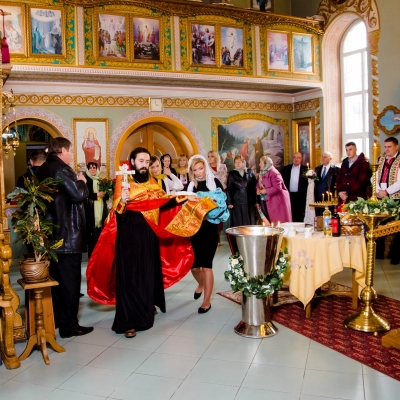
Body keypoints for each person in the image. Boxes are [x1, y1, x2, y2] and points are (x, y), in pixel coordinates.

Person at [36, 137, 93, 338]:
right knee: (70, 283)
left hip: (53, 235)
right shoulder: (61, 169)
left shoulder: (43, 169)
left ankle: (60, 319)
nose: (71, 155)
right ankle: (70, 325)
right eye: (70, 151)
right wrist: (82, 181)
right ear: (61, 150)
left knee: (58, 282)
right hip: (68, 235)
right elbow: (79, 195)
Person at [186, 155, 228, 313]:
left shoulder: (214, 183)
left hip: (210, 228)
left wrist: (208, 207)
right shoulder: (190, 186)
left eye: (200, 168)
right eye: (195, 170)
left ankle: (206, 302)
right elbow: (185, 208)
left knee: (206, 266)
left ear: (205, 167)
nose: (198, 172)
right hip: (195, 229)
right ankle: (202, 283)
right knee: (194, 267)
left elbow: (222, 205)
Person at [376, 137, 400, 264]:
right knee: (380, 224)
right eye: (385, 147)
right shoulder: (380, 159)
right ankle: (378, 253)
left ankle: (395, 255)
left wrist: (386, 191)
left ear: (396, 147)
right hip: (381, 196)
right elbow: (374, 177)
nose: (387, 149)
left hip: (396, 197)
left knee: (397, 227)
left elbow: (399, 182)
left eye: (389, 147)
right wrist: (379, 191)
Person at [256, 156, 291, 224]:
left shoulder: (274, 173)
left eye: (261, 163)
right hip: (268, 200)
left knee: (279, 223)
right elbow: (259, 183)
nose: (259, 164)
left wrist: (265, 191)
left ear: (266, 164)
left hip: (278, 202)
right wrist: (257, 189)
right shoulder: (263, 172)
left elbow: (277, 187)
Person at [84, 162, 108, 258]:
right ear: (87, 170)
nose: (92, 169)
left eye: (94, 167)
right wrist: (96, 195)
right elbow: (84, 195)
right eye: (90, 168)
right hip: (90, 211)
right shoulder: (85, 181)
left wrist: (105, 193)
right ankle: (92, 258)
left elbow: (106, 196)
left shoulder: (101, 180)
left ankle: (100, 257)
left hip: (101, 210)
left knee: (100, 235)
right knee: (91, 237)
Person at [226, 155, 257, 227]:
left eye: (239, 162)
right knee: (238, 222)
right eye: (236, 162)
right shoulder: (232, 174)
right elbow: (229, 189)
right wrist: (229, 202)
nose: (237, 164)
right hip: (237, 201)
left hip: (249, 201)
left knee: (249, 222)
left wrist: (256, 201)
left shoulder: (250, 172)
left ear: (243, 162)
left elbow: (254, 188)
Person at [281, 152, 308, 222]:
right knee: (290, 215)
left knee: (299, 217)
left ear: (301, 159)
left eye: (298, 158)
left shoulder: (306, 169)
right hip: (289, 196)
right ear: (292, 158)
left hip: (301, 197)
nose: (296, 159)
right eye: (294, 157)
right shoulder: (286, 169)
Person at [314, 151, 340, 216]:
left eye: (325, 157)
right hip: (318, 197)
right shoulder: (317, 169)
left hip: (329, 198)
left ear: (330, 159)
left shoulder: (336, 170)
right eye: (322, 157)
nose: (323, 158)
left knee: (329, 216)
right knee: (319, 216)